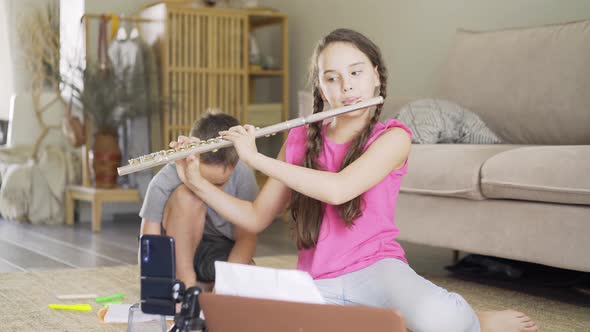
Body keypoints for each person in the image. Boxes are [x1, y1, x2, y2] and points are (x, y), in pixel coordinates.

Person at [172, 29, 538, 332]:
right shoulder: (300, 139)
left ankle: (476, 319)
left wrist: (256, 159)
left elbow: (338, 189)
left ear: (377, 74)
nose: (347, 87)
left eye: (356, 72)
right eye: (332, 78)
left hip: (378, 269)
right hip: (316, 281)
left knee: (441, 322)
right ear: (321, 89)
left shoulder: (394, 138)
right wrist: (196, 182)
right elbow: (255, 217)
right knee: (241, 319)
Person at [139, 110, 259, 291]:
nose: (210, 192)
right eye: (205, 182)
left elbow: (246, 239)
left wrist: (225, 286)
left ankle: (204, 286)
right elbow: (150, 244)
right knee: (187, 196)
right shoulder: (164, 180)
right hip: (176, 251)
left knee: (248, 276)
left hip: (217, 249)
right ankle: (186, 283)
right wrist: (157, 287)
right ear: (191, 158)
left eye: (219, 184)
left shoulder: (243, 175)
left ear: (234, 165)